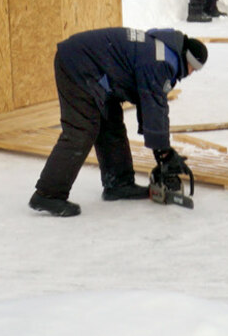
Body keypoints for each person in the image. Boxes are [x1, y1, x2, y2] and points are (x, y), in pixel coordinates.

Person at [29, 26, 208, 217]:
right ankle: (48, 194)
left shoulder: (163, 51)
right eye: (193, 67)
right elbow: (154, 107)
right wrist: (164, 152)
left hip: (97, 69)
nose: (191, 73)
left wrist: (162, 151)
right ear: (186, 58)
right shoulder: (160, 61)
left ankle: (118, 183)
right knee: (82, 130)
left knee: (110, 121)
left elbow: (149, 103)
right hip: (78, 64)